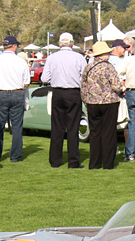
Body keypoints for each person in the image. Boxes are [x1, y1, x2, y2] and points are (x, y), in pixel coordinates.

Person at [42, 32, 86, 169]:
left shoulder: (52, 58)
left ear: (60, 44)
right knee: (73, 127)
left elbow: (44, 78)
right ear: (72, 44)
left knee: (57, 127)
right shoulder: (79, 58)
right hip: (73, 92)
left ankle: (55, 161)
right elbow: (84, 77)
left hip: (58, 92)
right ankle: (73, 161)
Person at [80, 41, 123, 169]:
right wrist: (121, 89)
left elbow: (83, 86)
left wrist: (86, 101)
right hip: (109, 102)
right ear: (103, 54)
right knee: (109, 133)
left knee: (95, 133)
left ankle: (94, 163)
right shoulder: (109, 67)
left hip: (92, 103)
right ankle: (108, 163)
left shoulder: (88, 67)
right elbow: (116, 86)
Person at [0, 35, 30, 163]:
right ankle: (15, 156)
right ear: (14, 46)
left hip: (1, 93)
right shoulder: (21, 61)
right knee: (17, 126)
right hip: (17, 93)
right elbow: (26, 83)